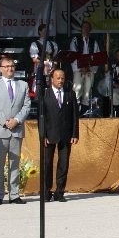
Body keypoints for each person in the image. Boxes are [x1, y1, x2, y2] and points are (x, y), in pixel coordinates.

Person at [0, 56, 32, 205]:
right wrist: (5, 122)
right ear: (0, 69)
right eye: (6, 66)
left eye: (12, 66)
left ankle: (14, 194)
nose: (10, 69)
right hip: (0, 130)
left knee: (15, 163)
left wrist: (16, 120)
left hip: (17, 129)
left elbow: (26, 106)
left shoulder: (23, 85)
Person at [41, 69, 79, 202]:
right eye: (57, 78)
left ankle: (60, 192)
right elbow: (42, 116)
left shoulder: (70, 94)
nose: (60, 81)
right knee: (47, 163)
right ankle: (46, 192)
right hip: (49, 134)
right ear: (52, 79)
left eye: (62, 78)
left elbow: (75, 115)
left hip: (66, 134)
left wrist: (75, 133)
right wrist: (43, 135)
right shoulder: (45, 94)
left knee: (63, 164)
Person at [69, 21, 101, 111]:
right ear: (81, 29)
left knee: (88, 92)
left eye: (87, 27)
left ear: (90, 30)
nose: (86, 29)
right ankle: (75, 113)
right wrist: (81, 67)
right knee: (77, 91)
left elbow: (97, 57)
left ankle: (84, 113)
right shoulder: (75, 40)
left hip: (89, 70)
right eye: (84, 27)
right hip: (79, 70)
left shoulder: (93, 42)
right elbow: (73, 55)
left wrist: (89, 68)